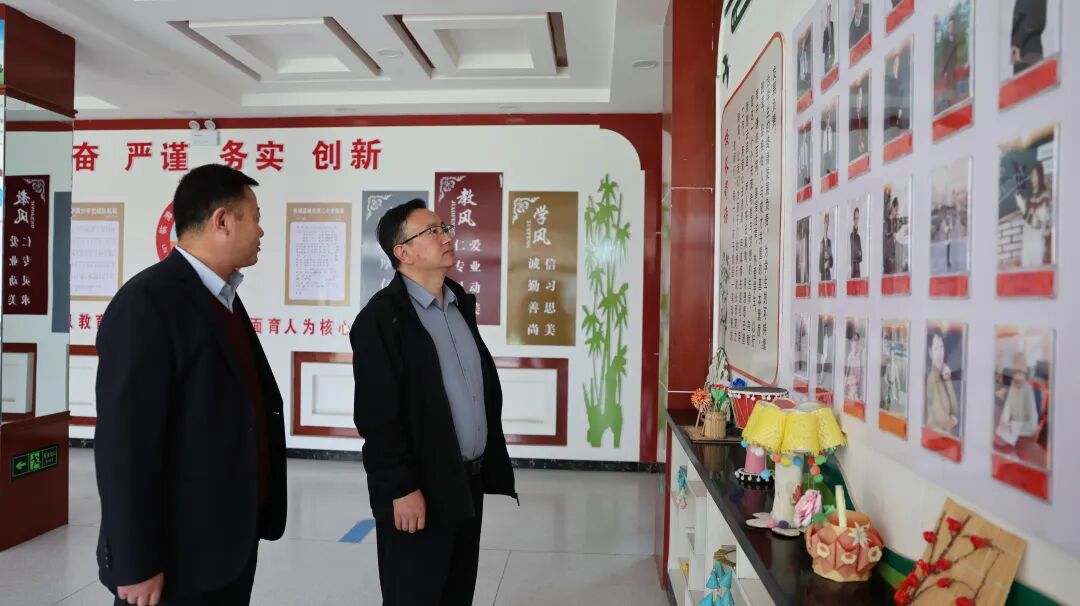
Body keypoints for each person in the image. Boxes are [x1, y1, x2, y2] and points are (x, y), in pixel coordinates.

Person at [94, 164, 286, 606]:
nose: (261, 231)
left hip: (224, 544)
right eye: (255, 217)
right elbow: (125, 445)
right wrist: (135, 562)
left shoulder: (222, 298)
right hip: (174, 557)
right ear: (222, 220)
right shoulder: (148, 303)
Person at [351, 199, 518, 604]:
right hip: (419, 488)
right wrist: (401, 487)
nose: (446, 237)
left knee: (457, 592)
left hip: (466, 482)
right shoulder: (381, 319)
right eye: (433, 231)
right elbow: (377, 417)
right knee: (415, 593)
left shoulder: (458, 305)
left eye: (445, 228)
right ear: (403, 253)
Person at [995, 352, 1040, 445]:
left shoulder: (1029, 391)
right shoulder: (1012, 388)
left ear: (1025, 373)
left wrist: (1012, 426)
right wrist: (1004, 423)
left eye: (1019, 373)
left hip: (1025, 438)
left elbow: (1033, 426)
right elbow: (1006, 413)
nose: (1016, 376)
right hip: (1011, 438)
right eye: (1015, 372)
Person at [1015, 162, 1052, 267]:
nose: (1032, 179)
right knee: (1025, 274)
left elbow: (1038, 223)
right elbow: (1024, 209)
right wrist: (1017, 192)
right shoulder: (1030, 197)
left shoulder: (1044, 196)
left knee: (1036, 273)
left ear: (1040, 176)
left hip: (1037, 243)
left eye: (1035, 175)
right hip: (1026, 242)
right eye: (1031, 176)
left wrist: (1026, 214)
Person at [925, 329, 960, 435]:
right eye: (936, 348)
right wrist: (953, 421)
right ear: (930, 352)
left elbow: (955, 409)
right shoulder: (932, 378)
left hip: (944, 436)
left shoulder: (943, 376)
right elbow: (942, 419)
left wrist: (948, 379)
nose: (940, 353)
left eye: (941, 347)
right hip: (934, 436)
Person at [1011, 0, 1047, 74]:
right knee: (1020, 78)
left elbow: (1038, 21)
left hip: (1031, 48)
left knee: (1032, 76)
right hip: (1020, 51)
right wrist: (1014, 46)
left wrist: (1017, 42)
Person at [939, 12, 961, 112]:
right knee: (948, 88)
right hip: (948, 69)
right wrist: (944, 71)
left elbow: (958, 53)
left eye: (952, 26)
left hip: (955, 67)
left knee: (954, 87)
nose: (951, 28)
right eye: (949, 26)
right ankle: (949, 106)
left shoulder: (957, 38)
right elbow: (944, 56)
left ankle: (955, 105)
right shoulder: (945, 41)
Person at [844, 329, 864, 401]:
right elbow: (848, 368)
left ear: (858, 341)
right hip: (851, 380)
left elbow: (861, 368)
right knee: (850, 395)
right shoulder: (850, 355)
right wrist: (845, 380)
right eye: (853, 340)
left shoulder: (861, 352)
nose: (854, 342)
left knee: (854, 395)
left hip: (857, 379)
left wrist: (858, 378)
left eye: (856, 340)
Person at [819, 212, 834, 282]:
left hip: (828, 272)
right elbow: (819, 259)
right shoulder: (820, 242)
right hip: (822, 273)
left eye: (828, 222)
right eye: (825, 222)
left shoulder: (829, 242)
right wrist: (823, 267)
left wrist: (828, 262)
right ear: (823, 223)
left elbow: (831, 259)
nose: (826, 224)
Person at [822, 2, 836, 72]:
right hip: (827, 57)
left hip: (833, 55)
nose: (828, 16)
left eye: (829, 13)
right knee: (827, 72)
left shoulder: (834, 26)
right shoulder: (825, 31)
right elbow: (823, 49)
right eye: (827, 14)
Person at [850, 207, 863, 279]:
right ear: (853, 219)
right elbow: (854, 254)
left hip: (858, 268)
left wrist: (858, 254)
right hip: (852, 269)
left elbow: (861, 257)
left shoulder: (858, 237)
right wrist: (858, 254)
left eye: (857, 218)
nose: (856, 220)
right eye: (855, 218)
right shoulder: (851, 235)